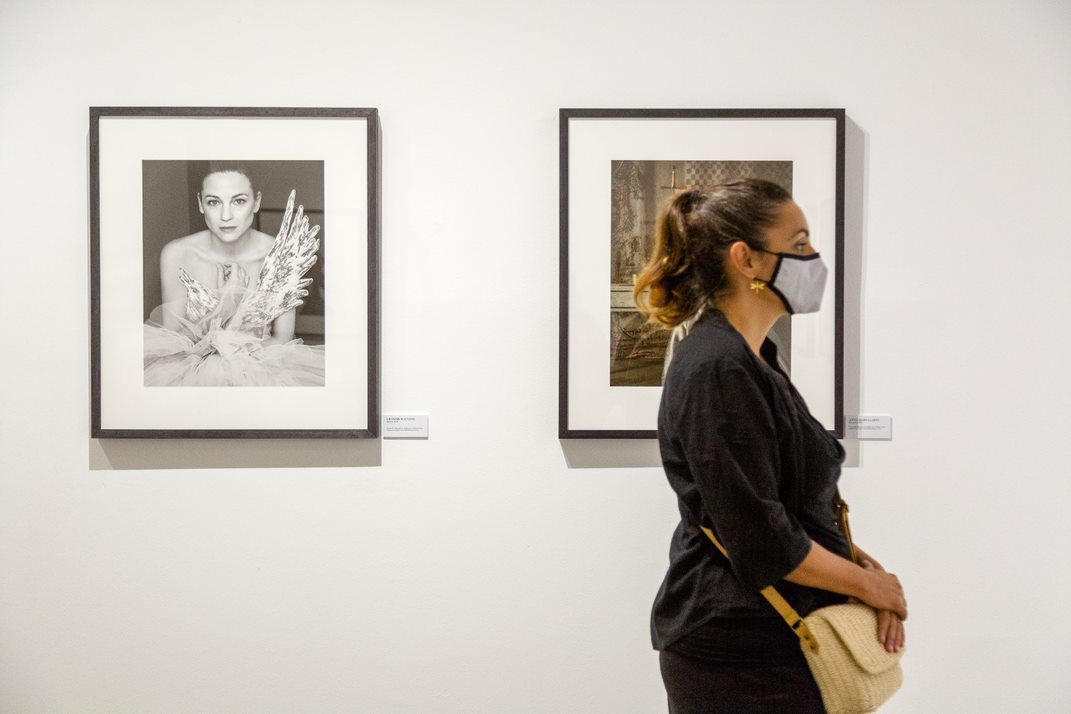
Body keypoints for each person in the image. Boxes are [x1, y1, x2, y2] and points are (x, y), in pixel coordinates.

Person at [634, 179, 907, 713]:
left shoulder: (754, 355)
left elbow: (789, 508)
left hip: (768, 639)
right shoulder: (718, 366)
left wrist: (866, 573)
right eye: (800, 244)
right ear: (749, 260)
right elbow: (760, 536)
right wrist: (872, 589)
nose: (814, 259)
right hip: (738, 649)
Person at [143, 163, 325, 386]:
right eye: (214, 202)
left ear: (256, 202)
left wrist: (229, 328)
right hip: (188, 375)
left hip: (263, 373)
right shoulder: (177, 254)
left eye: (239, 201)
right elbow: (171, 346)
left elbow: (283, 340)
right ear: (201, 204)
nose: (226, 215)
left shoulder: (281, 255)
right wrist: (226, 305)